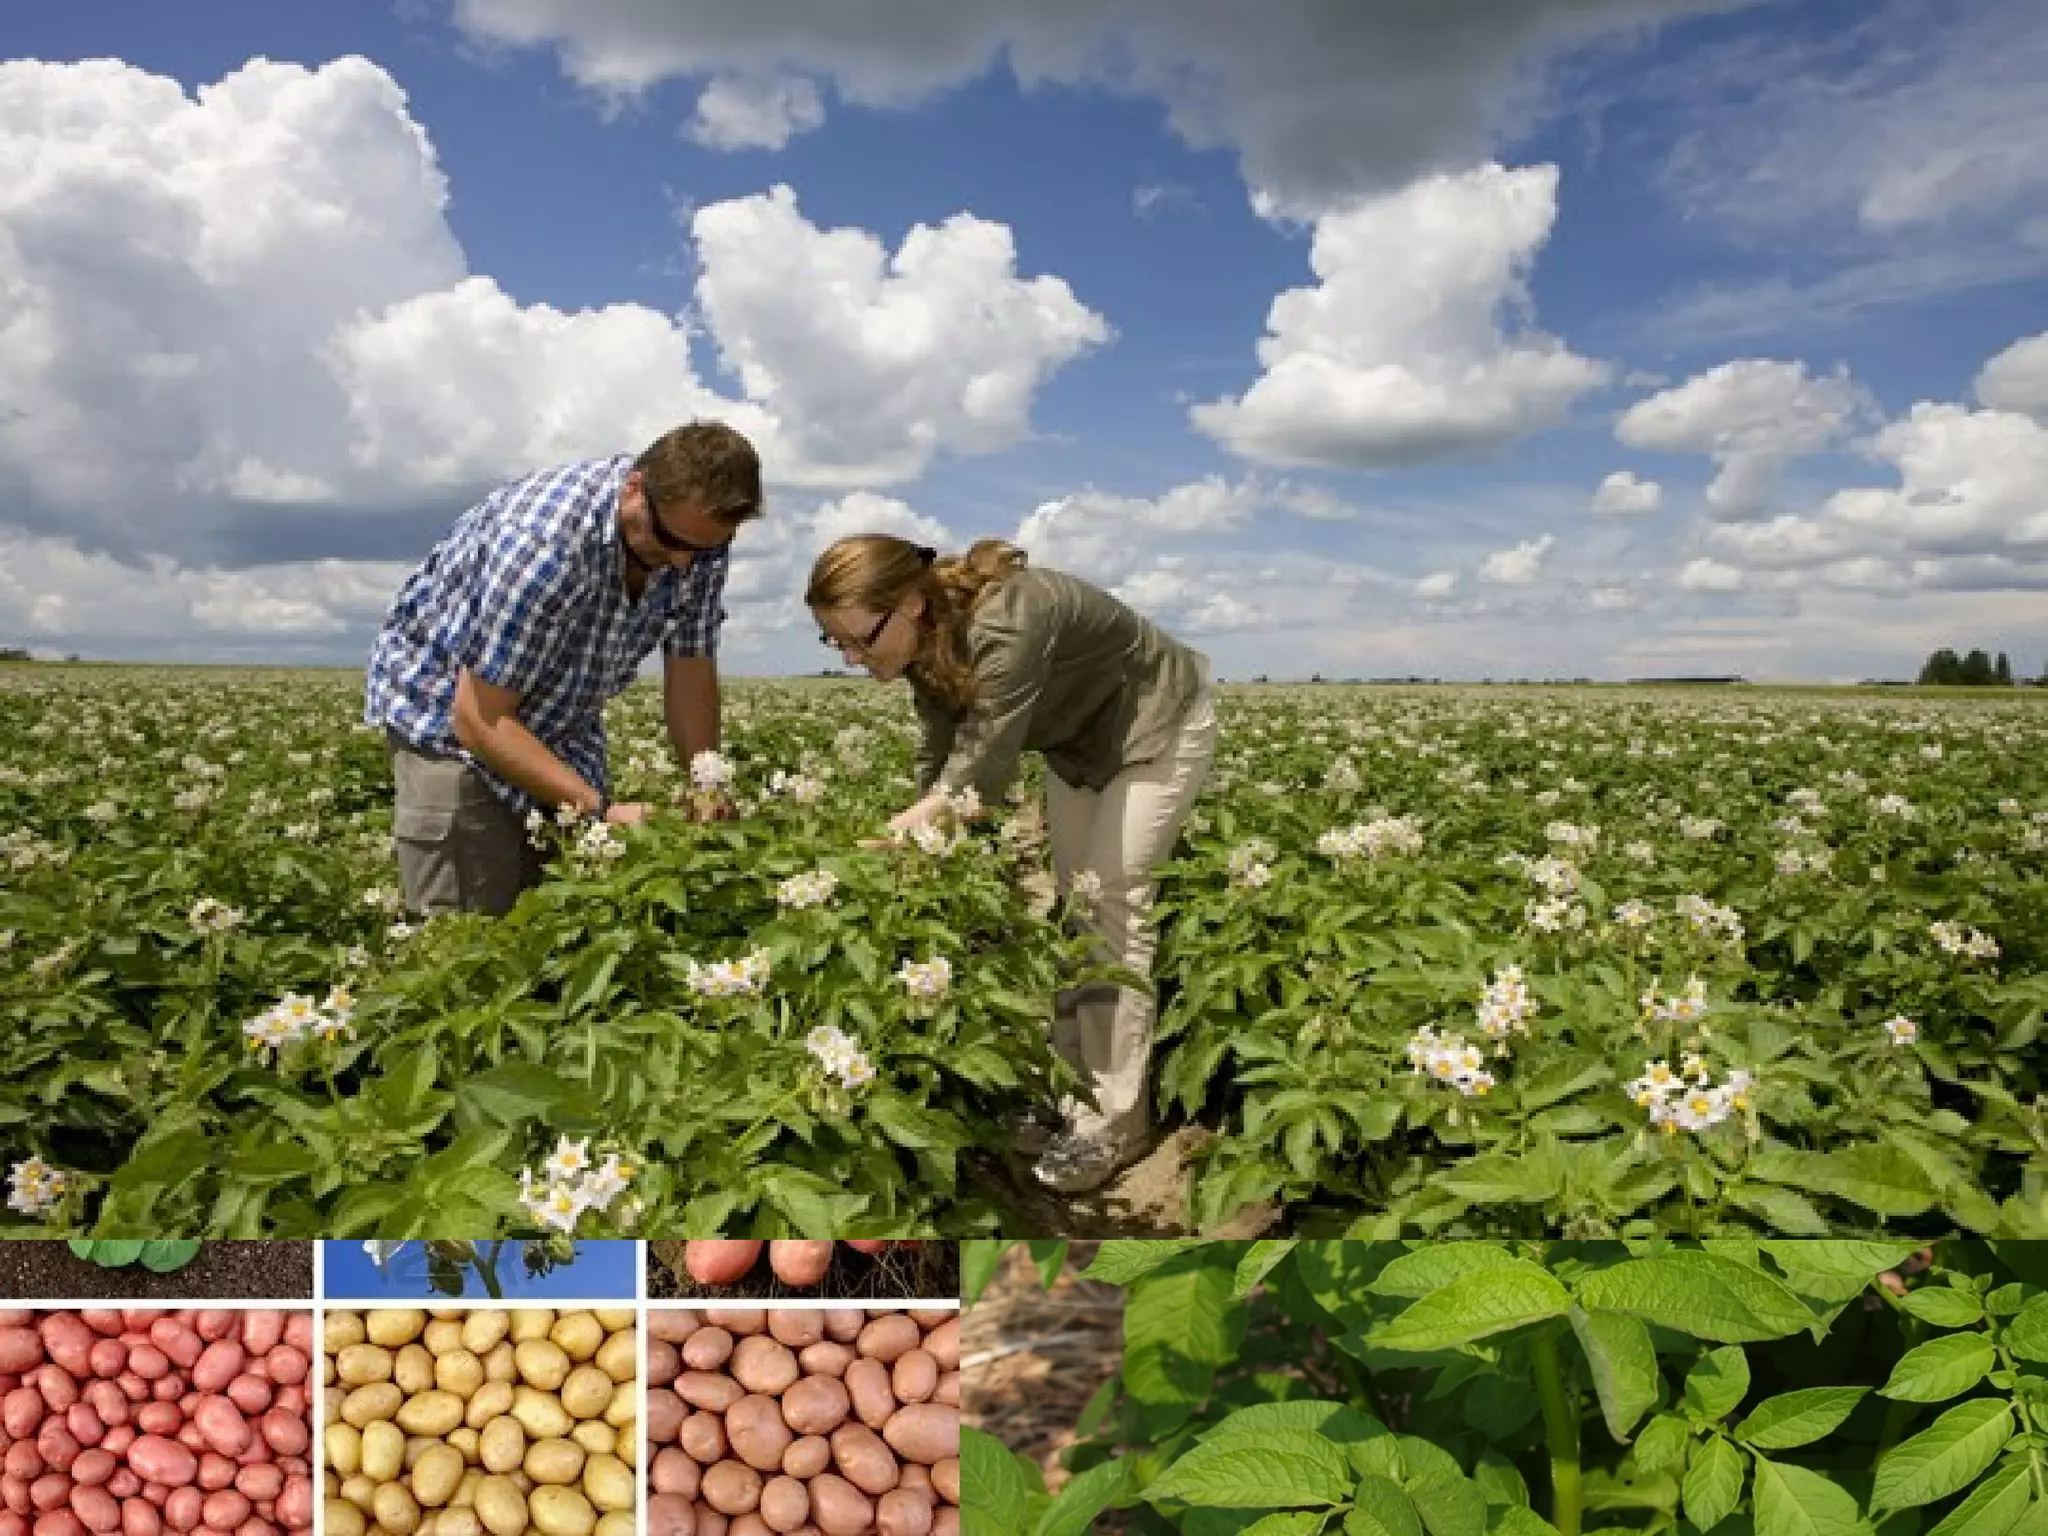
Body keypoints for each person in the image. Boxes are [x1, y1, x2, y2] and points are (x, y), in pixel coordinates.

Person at [806, 535, 1219, 1193]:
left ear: (910, 604)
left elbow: (979, 774)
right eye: (838, 645)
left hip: (1156, 729)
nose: (855, 658)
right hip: (1081, 748)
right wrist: (915, 825)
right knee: (1072, 908)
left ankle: (1116, 1125)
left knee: (1112, 905)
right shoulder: (925, 644)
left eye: (860, 639)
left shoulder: (1009, 621)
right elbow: (938, 756)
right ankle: (1066, 1090)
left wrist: (886, 843)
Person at [365, 420, 762, 916]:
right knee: (472, 928)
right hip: (453, 732)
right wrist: (599, 809)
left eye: (702, 551)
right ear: (635, 488)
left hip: (561, 726)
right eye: (670, 540)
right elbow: (478, 718)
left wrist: (706, 780)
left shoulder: (696, 535)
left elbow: (690, 661)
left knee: (558, 912)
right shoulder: (541, 545)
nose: (683, 563)